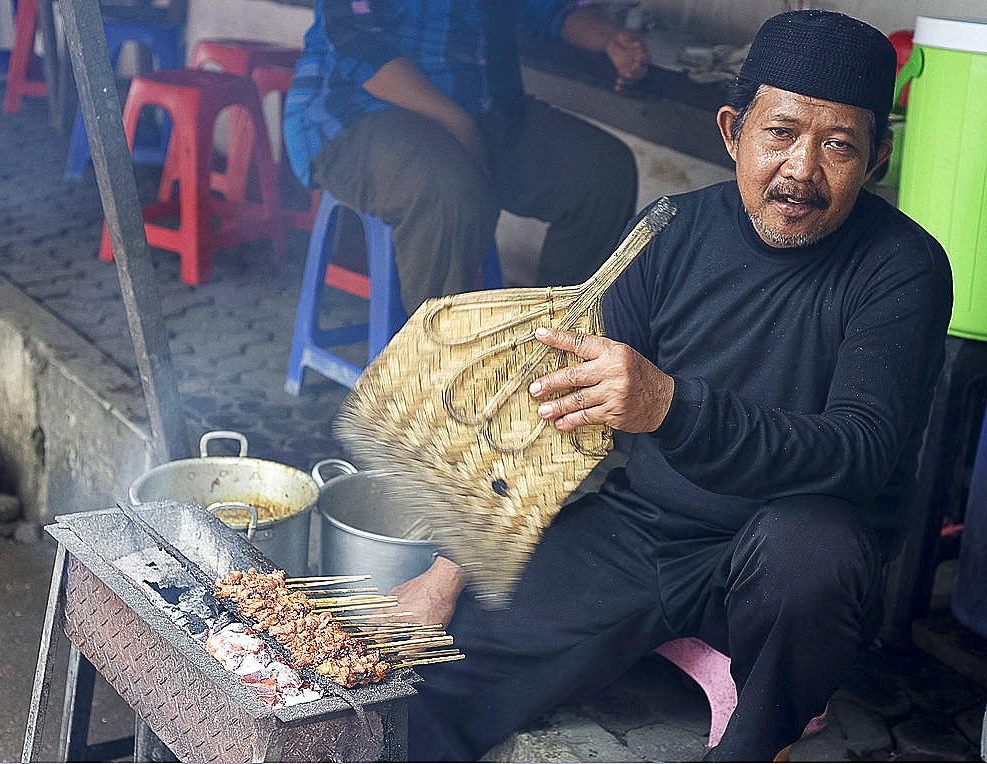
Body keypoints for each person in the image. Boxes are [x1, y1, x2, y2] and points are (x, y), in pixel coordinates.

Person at [389, 9, 954, 762]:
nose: (801, 169)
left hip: (783, 566)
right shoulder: (667, 229)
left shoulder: (903, 269)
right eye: (779, 133)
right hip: (646, 534)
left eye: (839, 145)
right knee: (445, 676)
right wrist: (443, 576)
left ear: (877, 158)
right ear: (732, 131)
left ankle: (765, 733)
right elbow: (553, 407)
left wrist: (670, 406)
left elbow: (860, 451)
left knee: (813, 551)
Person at [283, 0, 648, 314]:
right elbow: (355, 40)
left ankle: (551, 356)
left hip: (483, 111)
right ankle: (436, 377)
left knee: (603, 174)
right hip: (359, 111)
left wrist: (610, 37)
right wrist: (457, 122)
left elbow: (550, 8)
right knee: (447, 190)